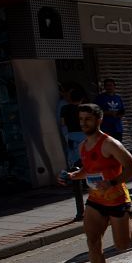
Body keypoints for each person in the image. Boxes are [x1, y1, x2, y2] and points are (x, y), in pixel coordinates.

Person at [57, 103, 132, 263]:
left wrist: (112, 182)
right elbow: (88, 170)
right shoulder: (83, 146)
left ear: (98, 120)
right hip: (95, 200)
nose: (84, 123)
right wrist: (73, 176)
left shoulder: (110, 144)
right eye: (81, 119)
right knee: (92, 242)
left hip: (117, 199)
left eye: (88, 119)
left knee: (122, 245)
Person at [58, 84, 87, 220]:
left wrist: (66, 136)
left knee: (74, 159)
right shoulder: (84, 109)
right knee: (85, 158)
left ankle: (76, 183)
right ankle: (85, 182)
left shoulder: (64, 108)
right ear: (81, 99)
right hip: (83, 135)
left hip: (70, 135)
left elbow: (63, 123)